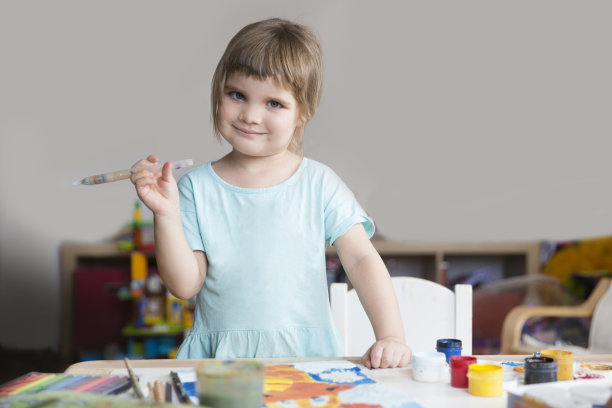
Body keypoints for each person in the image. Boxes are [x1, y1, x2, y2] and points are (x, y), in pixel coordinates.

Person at [131, 17, 411, 369]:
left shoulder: (319, 183)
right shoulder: (194, 188)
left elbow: (361, 260)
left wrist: (391, 336)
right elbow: (185, 285)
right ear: (218, 92)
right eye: (237, 95)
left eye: (274, 104)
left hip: (307, 362)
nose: (250, 115)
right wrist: (166, 214)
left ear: (302, 113)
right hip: (219, 366)